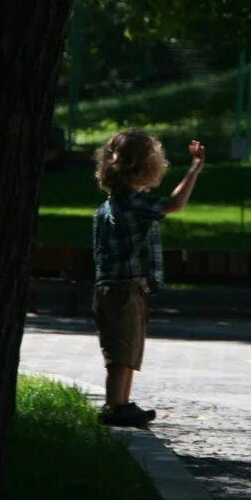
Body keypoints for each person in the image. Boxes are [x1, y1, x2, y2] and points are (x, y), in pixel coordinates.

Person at [92, 129, 205, 427]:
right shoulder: (131, 205)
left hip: (115, 287)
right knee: (122, 350)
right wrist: (194, 170)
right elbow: (174, 204)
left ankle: (122, 403)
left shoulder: (107, 207)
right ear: (145, 168)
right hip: (123, 288)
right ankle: (114, 406)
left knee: (126, 347)